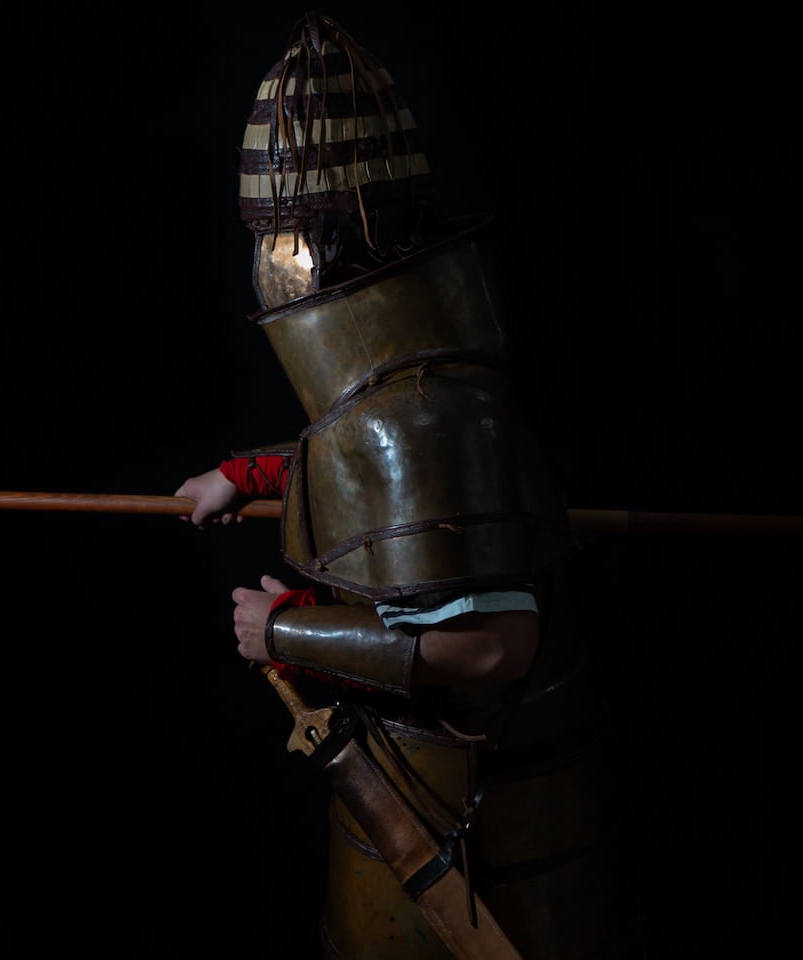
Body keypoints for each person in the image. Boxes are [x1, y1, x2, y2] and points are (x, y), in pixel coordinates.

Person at [175, 13, 637, 959]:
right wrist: (242, 474)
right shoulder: (424, 396)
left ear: (295, 245)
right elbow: (356, 471)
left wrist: (283, 631)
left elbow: (492, 647)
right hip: (428, 804)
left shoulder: (418, 416)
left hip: (477, 841)